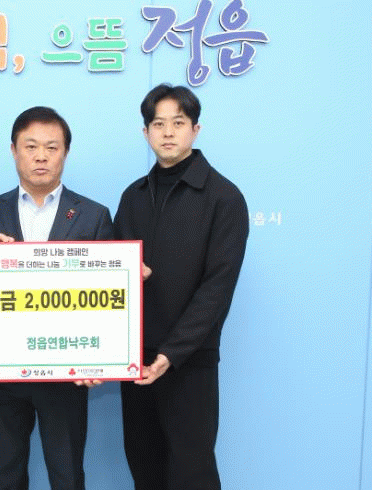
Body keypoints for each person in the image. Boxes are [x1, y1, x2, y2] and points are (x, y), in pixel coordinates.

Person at [0, 106, 113, 490]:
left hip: (66, 374)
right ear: (14, 150)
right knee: (6, 475)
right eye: (31, 146)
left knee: (68, 476)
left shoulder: (94, 216)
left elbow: (108, 302)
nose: (41, 156)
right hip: (2, 373)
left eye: (52, 147)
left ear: (66, 152)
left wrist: (101, 356)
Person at [114, 83, 249, 490]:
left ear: (195, 129)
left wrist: (171, 354)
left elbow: (217, 289)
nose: (168, 132)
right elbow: (106, 274)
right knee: (144, 468)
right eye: (158, 124)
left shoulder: (224, 198)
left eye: (178, 122)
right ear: (146, 132)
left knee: (192, 473)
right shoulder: (133, 196)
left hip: (189, 362)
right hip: (136, 362)